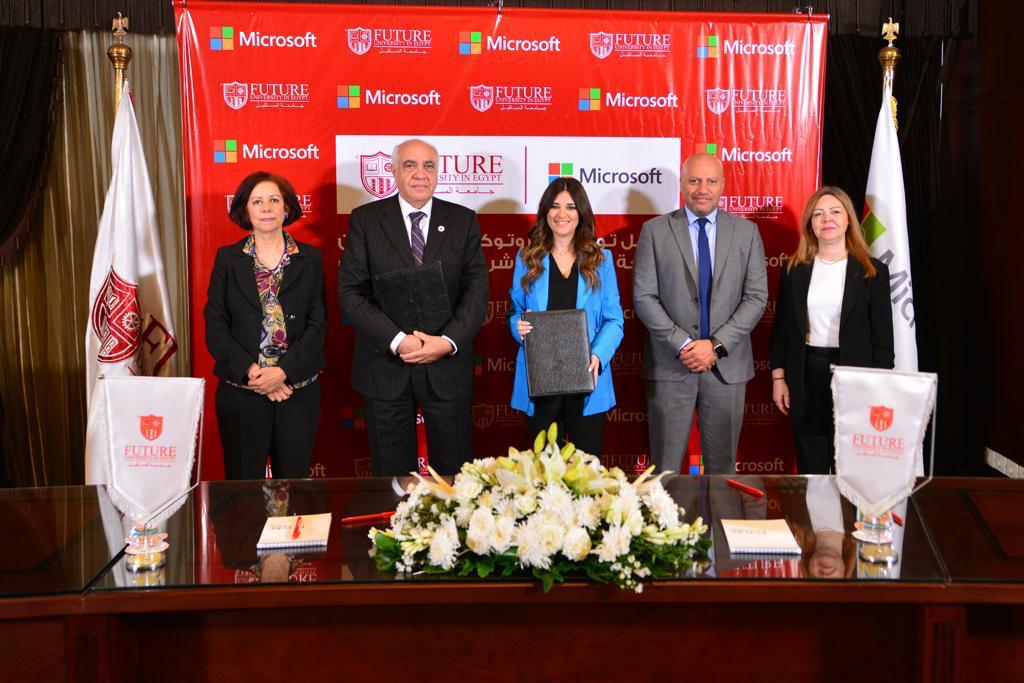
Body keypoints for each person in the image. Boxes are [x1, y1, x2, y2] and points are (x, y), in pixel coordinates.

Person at [338, 139, 488, 476]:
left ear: (438, 172)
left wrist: (446, 342)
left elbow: (477, 292)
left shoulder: (463, 221)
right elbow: (350, 292)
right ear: (393, 171)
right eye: (410, 165)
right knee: (393, 485)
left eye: (428, 166)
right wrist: (398, 341)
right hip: (386, 368)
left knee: (455, 485)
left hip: (447, 369)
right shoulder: (366, 220)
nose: (421, 174)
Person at [633, 152, 767, 475]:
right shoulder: (655, 231)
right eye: (694, 180)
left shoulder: (747, 233)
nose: (702, 189)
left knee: (722, 472)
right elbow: (644, 297)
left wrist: (715, 346)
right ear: (682, 184)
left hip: (727, 371)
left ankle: (719, 516)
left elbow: (756, 298)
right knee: (664, 473)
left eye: (711, 181)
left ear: (723, 185)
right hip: (671, 367)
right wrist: (684, 344)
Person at [205, 171, 326, 480]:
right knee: (243, 488)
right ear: (245, 210)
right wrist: (255, 374)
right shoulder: (228, 259)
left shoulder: (310, 258)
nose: (267, 208)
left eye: (274, 200)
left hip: (295, 391)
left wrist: (283, 372)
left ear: (287, 208)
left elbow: (318, 324)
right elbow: (215, 325)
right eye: (257, 201)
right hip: (243, 391)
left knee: (292, 487)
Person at [769, 186, 894, 473]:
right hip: (806, 375)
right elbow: (782, 331)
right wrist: (779, 378)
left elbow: (883, 341)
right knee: (811, 468)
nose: (827, 219)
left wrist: (879, 388)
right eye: (819, 214)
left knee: (850, 468)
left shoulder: (872, 271)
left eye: (835, 212)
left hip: (855, 376)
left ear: (848, 219)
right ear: (810, 224)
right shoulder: (794, 270)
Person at [508, 178, 624, 455]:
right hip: (541, 378)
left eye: (570, 207)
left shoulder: (601, 260)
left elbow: (614, 320)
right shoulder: (526, 258)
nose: (562, 214)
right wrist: (517, 325)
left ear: (581, 213)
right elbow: (514, 312)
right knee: (544, 468)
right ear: (545, 212)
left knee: (588, 469)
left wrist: (597, 355)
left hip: (587, 378)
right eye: (555, 206)